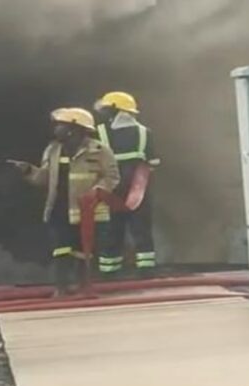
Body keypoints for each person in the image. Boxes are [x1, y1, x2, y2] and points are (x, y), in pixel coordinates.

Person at [10, 108, 120, 296]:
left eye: (61, 125)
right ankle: (61, 288)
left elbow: (112, 177)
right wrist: (28, 171)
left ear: (75, 128)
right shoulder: (53, 150)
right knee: (61, 249)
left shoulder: (100, 151)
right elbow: (45, 178)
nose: (56, 129)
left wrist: (96, 192)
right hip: (59, 209)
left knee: (84, 251)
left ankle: (84, 287)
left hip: (88, 210)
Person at [94, 91, 159, 277]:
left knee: (110, 230)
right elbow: (153, 163)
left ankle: (109, 273)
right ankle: (146, 271)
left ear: (115, 110)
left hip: (111, 190)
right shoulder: (145, 132)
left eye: (106, 109)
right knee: (142, 230)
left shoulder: (100, 132)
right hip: (138, 190)